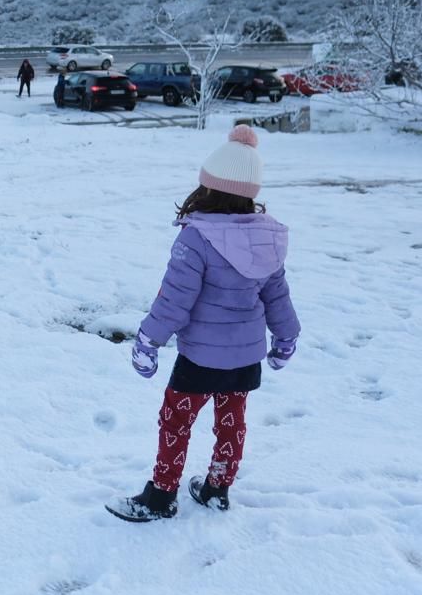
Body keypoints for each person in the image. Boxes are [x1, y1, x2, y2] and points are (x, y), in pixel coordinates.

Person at [107, 124, 301, 522]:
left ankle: (161, 496)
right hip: (245, 359)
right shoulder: (265, 239)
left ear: (208, 187)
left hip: (200, 359)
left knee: (176, 421)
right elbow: (277, 296)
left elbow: (175, 301)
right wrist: (286, 338)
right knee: (231, 423)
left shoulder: (196, 238)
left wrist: (148, 340)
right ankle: (217, 488)